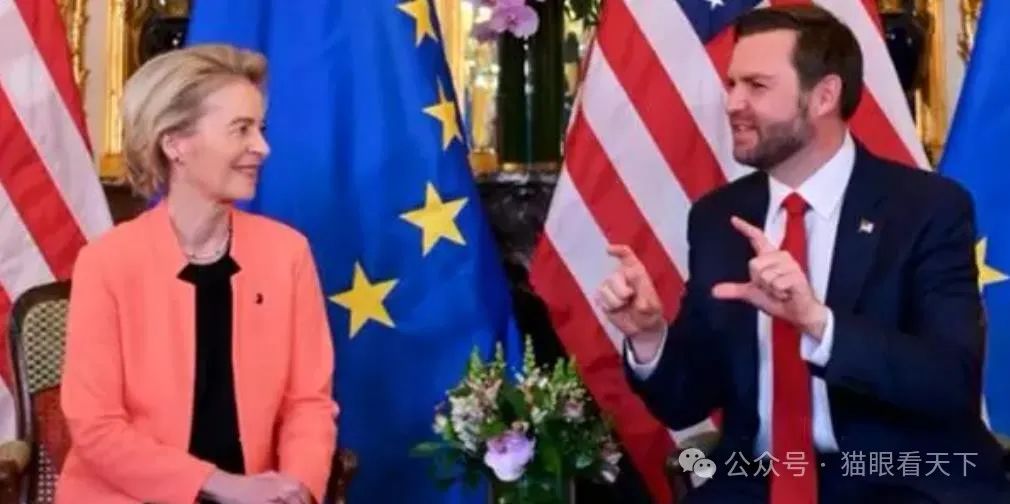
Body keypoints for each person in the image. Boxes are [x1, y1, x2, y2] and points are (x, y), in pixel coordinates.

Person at [597, 6, 1010, 504]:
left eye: (756, 86)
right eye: (732, 84)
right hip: (758, 482)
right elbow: (686, 402)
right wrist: (649, 337)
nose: (733, 103)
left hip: (897, 481)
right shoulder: (718, 218)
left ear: (824, 96)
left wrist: (817, 322)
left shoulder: (926, 209)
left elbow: (949, 381)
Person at [58, 44, 337, 504]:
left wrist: (298, 489)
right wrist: (224, 486)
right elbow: (96, 427)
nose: (262, 148)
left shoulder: (288, 253)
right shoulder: (107, 263)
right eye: (241, 129)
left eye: (261, 129)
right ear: (175, 144)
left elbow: (308, 403)